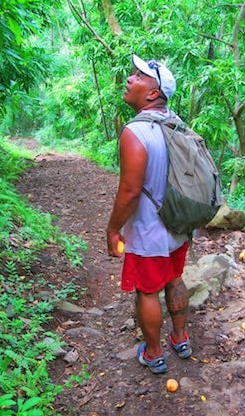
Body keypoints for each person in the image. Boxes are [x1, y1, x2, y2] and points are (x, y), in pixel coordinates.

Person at [106, 54, 192, 374]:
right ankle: (180, 338)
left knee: (147, 290)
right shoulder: (177, 123)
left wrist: (113, 230)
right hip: (178, 225)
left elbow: (129, 192)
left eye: (138, 76)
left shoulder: (135, 132)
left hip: (148, 229)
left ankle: (154, 353)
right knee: (175, 278)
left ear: (153, 92)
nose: (129, 79)